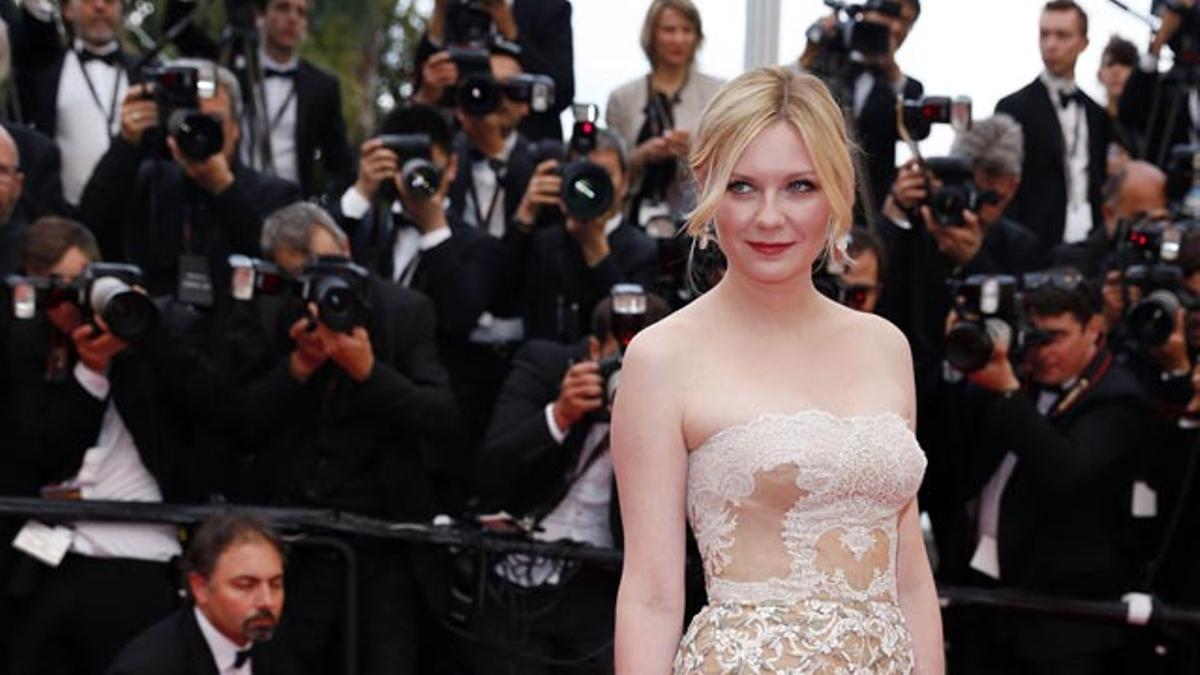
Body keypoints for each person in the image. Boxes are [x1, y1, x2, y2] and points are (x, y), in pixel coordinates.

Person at [611, 66, 942, 673]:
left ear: (837, 191)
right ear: (706, 187)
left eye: (799, 186)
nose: (769, 217)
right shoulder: (662, 357)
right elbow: (652, 595)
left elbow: (911, 577)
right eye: (741, 187)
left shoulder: (885, 346)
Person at [242, 203, 461, 675]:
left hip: (384, 546)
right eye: (303, 276)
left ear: (346, 249)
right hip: (293, 543)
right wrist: (298, 367)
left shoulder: (403, 311)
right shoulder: (278, 312)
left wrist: (368, 371)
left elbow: (443, 417)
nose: (320, 290)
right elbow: (239, 418)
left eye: (326, 268)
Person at [5, 216, 194, 675]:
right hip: (51, 555)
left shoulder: (157, 330)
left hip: (141, 555)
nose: (68, 305)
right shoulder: (26, 347)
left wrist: (132, 343)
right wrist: (88, 371)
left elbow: (214, 416)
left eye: (77, 286)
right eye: (54, 293)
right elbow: (43, 456)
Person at [945, 273, 1149, 674]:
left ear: (1095, 328)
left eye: (1055, 337)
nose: (1041, 352)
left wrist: (1007, 392)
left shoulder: (1119, 399)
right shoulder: (1020, 376)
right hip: (987, 607)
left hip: (1065, 626)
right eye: (1033, 337)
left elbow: (1065, 472)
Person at [472, 294, 670, 674]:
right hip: (519, 573)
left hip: (605, 585)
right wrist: (560, 415)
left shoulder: (674, 400)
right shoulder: (548, 366)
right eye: (620, 362)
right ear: (594, 350)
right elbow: (489, 469)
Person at [76, 58, 300, 300]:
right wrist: (126, 144)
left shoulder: (276, 194)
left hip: (237, 327)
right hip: (159, 325)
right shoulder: (149, 181)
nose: (198, 132)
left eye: (213, 122)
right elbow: (89, 229)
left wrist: (224, 188)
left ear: (236, 128)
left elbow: (281, 266)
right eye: (189, 121)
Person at [167, 0, 354, 201]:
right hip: (230, 194)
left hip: (291, 206)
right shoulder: (229, 62)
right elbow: (178, 30)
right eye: (282, 8)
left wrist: (329, 207)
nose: (292, 19)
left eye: (301, 13)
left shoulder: (322, 86)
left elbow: (340, 163)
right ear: (259, 16)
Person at [518, 128, 659, 343]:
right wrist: (524, 217)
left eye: (604, 175)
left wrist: (598, 253)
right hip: (547, 368)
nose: (592, 188)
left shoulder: (645, 251)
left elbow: (639, 333)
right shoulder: (544, 242)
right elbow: (503, 303)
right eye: (584, 176)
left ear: (625, 183)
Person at [107, 515, 297, 675]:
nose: (267, 601)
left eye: (275, 585)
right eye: (245, 585)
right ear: (200, 587)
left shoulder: (276, 645)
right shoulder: (148, 667)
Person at [996, 0, 1111, 253]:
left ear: (1084, 43)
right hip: (1033, 244)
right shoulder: (1014, 107)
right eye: (1044, 34)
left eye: (1062, 35)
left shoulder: (1097, 114)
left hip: (1091, 245)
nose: (1051, 44)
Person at [1, 0, 140, 207]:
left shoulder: (145, 71)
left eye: (110, 0)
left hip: (135, 216)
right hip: (65, 215)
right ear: (67, 10)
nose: (100, 6)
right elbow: (34, 40)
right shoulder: (47, 71)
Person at [605, 0, 724, 224]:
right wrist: (642, 155)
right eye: (669, 30)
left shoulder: (717, 94)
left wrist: (694, 149)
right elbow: (610, 167)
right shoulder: (622, 98)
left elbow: (730, 162)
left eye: (687, 30)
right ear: (651, 35)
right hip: (631, 220)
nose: (678, 39)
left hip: (698, 220)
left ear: (698, 37)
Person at [800, 0, 924, 215]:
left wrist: (890, 70)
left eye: (906, 22)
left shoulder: (904, 86)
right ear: (864, 13)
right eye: (889, 13)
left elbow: (915, 131)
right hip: (811, 200)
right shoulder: (823, 67)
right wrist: (812, 49)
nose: (895, 27)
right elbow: (788, 99)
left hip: (870, 212)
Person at [414, 0, 575, 142]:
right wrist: (440, 12)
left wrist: (511, 34)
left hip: (529, 148)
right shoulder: (455, 10)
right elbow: (420, 89)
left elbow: (562, 91)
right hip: (461, 149)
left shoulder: (550, 8)